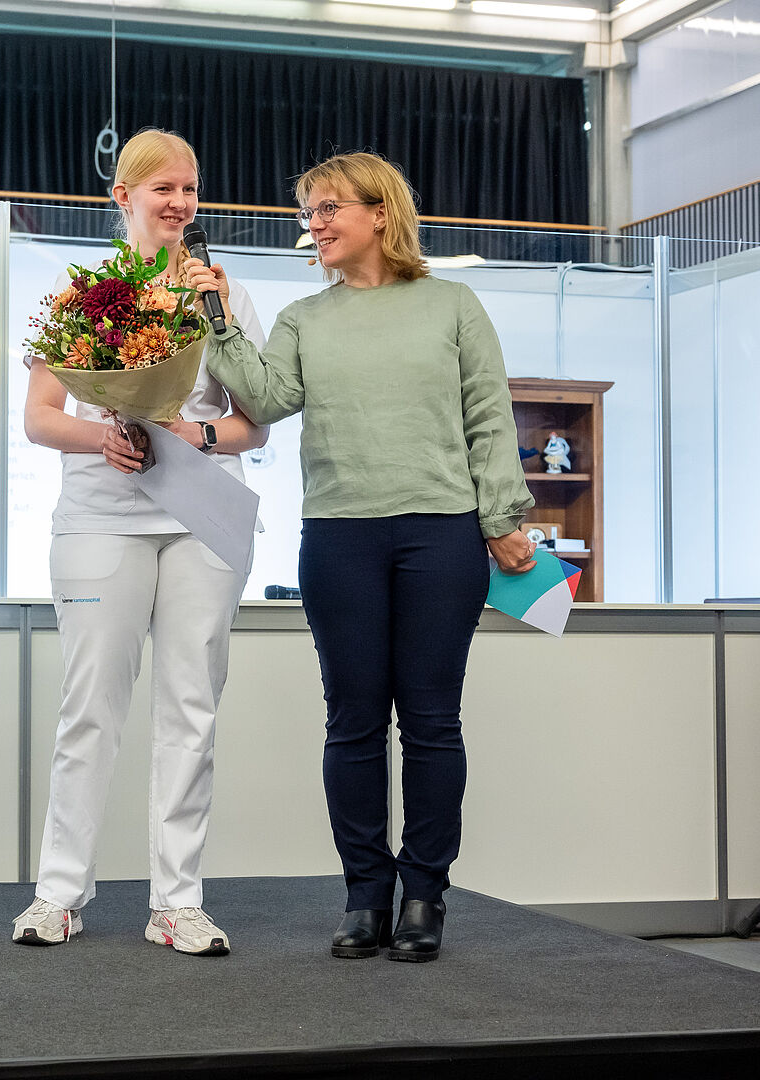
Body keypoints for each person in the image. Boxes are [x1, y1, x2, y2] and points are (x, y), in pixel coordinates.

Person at [195, 151, 536, 963]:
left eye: (326, 209)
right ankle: (364, 897)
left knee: (430, 723)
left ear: (379, 212)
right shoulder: (303, 318)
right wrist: (215, 317)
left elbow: (488, 416)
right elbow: (267, 398)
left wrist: (500, 517)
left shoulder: (451, 305)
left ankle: (423, 895)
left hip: (440, 534)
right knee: (351, 724)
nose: (312, 225)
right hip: (339, 536)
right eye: (307, 213)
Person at [12, 129, 269, 955]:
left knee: (190, 708)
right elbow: (40, 417)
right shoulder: (78, 292)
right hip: (100, 518)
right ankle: (58, 894)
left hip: (201, 519)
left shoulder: (222, 294)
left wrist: (195, 435)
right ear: (122, 197)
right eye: (163, 188)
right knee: (88, 709)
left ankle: (177, 903)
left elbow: (254, 421)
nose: (180, 203)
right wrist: (104, 438)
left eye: (189, 188)